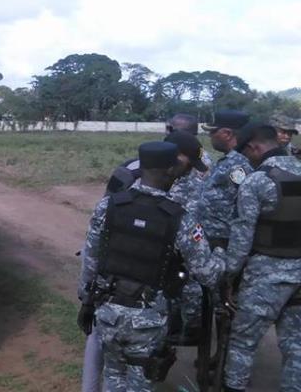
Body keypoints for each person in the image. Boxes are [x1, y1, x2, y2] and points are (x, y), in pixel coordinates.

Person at [78, 142, 226, 392]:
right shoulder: (180, 217)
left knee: (113, 377)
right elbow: (208, 274)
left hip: (108, 313)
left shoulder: (109, 206)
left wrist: (87, 302)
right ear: (171, 170)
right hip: (148, 321)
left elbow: (91, 259)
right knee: (140, 384)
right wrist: (220, 252)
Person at [222, 122, 301, 391]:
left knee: (243, 343)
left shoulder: (257, 181)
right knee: (297, 347)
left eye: (248, 153)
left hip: (266, 277)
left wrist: (229, 277)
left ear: (255, 147)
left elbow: (241, 241)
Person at [196, 110, 252, 248]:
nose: (210, 135)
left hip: (223, 240)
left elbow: (245, 207)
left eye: (213, 132)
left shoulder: (238, 165)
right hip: (211, 237)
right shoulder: (228, 160)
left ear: (227, 134)